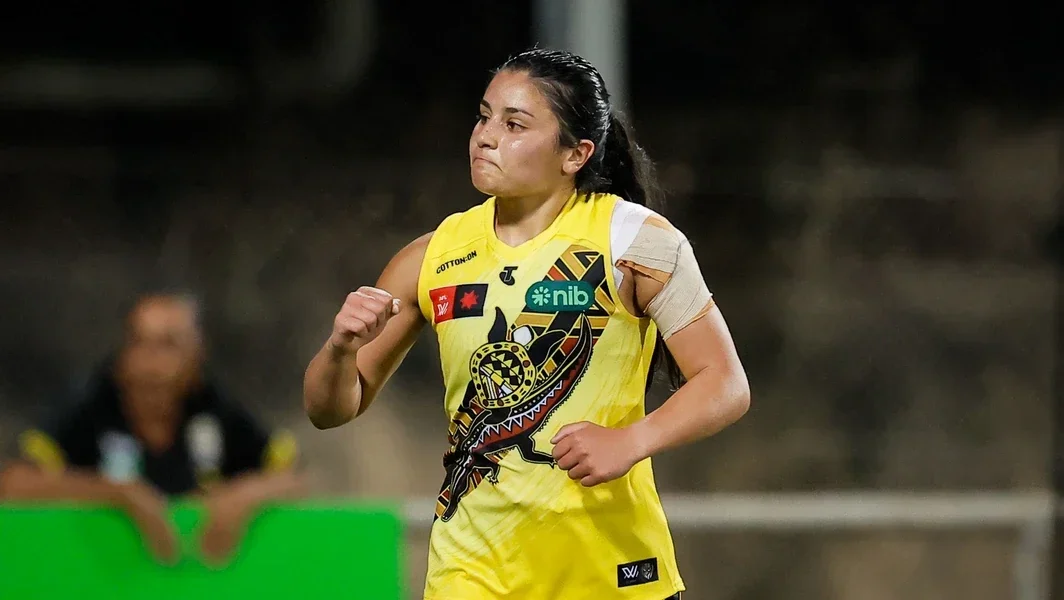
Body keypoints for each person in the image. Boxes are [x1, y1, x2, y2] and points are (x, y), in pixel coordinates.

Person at [303, 48, 750, 600]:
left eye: (514, 125)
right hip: (470, 577)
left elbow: (725, 382)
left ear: (576, 154)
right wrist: (340, 348)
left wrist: (632, 441)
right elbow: (328, 409)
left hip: (613, 575)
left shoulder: (637, 242)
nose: (485, 137)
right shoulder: (431, 256)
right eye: (483, 117)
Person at [0, 291, 302, 566]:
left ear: (196, 357)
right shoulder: (93, 405)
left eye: (167, 346)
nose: (150, 364)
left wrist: (242, 496)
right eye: (139, 343)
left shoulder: (214, 409)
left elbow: (297, 479)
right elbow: (13, 482)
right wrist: (117, 494)